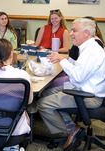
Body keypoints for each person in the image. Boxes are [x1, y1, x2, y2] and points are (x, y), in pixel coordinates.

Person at [38, 18, 105, 151]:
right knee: (46, 92)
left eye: (74, 30)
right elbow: (81, 69)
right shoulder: (88, 47)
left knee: (43, 104)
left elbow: (78, 77)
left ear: (86, 33)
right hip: (83, 88)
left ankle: (70, 131)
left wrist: (62, 61)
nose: (70, 33)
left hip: (88, 95)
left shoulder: (92, 52)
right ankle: (72, 126)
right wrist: (66, 59)